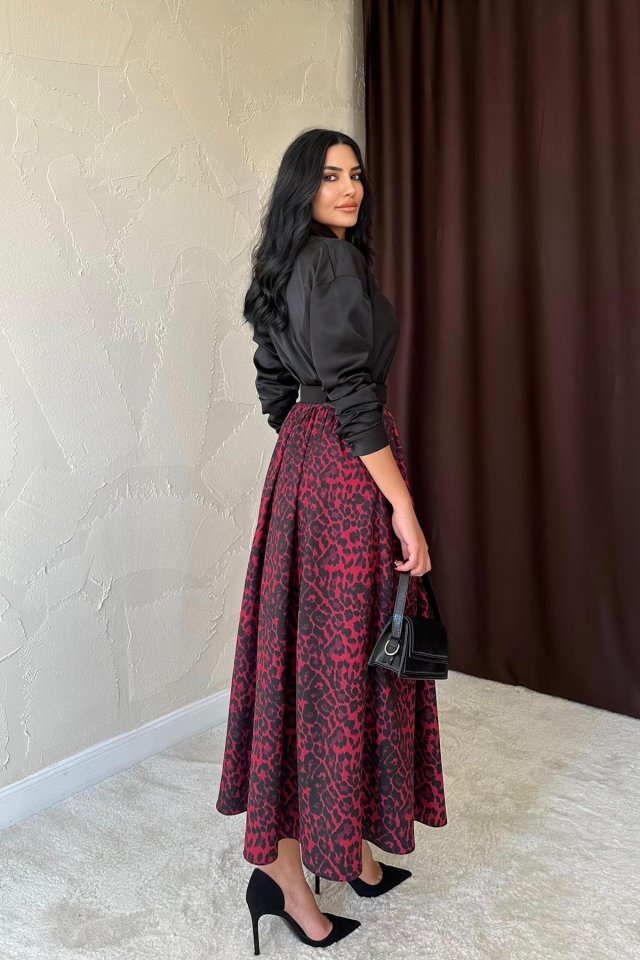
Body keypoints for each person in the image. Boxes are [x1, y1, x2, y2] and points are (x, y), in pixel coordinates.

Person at [215, 128, 447, 954]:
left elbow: (278, 388)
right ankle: (285, 875)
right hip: (348, 474)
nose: (348, 188)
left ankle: (345, 851)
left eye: (355, 175)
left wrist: (307, 441)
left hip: (303, 470)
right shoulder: (337, 263)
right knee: (346, 666)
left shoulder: (283, 264)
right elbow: (351, 390)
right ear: (301, 188)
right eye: (329, 176)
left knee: (306, 664)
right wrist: (403, 506)